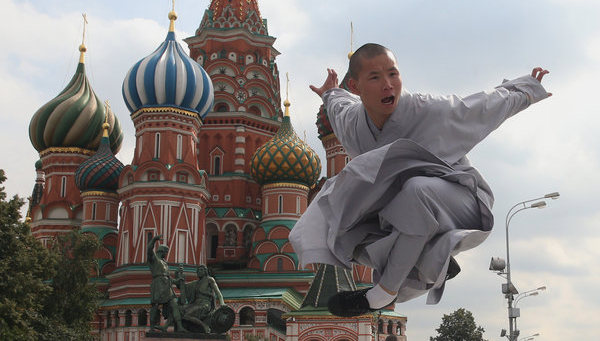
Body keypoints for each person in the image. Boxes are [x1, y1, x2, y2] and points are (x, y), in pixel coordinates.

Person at [288, 43, 551, 317]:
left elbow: (478, 107)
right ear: (356, 86)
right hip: (405, 208)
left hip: (461, 200)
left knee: (416, 191)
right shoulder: (352, 122)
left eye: (393, 74)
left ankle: (382, 293)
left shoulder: (426, 109)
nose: (388, 85)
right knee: (337, 212)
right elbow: (338, 105)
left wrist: (527, 90)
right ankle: (432, 259)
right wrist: (329, 92)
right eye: (376, 77)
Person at [147, 235, 185, 331]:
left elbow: (168, 277)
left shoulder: (165, 263)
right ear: (162, 251)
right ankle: (151, 327)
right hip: (158, 285)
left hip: (167, 286)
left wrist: (177, 280)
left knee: (175, 305)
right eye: (166, 252)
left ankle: (179, 327)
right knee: (155, 305)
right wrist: (154, 239)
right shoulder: (154, 260)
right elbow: (149, 250)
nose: (167, 254)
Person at [176, 264, 225, 332]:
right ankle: (181, 329)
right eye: (198, 270)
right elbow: (182, 287)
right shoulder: (195, 283)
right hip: (195, 304)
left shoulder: (210, 279)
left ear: (205, 271)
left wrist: (222, 303)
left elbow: (218, 293)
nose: (199, 272)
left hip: (205, 304)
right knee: (178, 310)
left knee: (186, 315)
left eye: (201, 270)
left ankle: (205, 326)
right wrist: (178, 275)